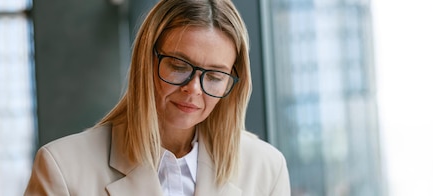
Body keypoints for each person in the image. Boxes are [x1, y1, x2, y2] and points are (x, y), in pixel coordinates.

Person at [24, 0, 290, 195]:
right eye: (179, 66)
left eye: (215, 76)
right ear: (146, 61)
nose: (194, 89)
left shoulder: (266, 169)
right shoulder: (62, 167)